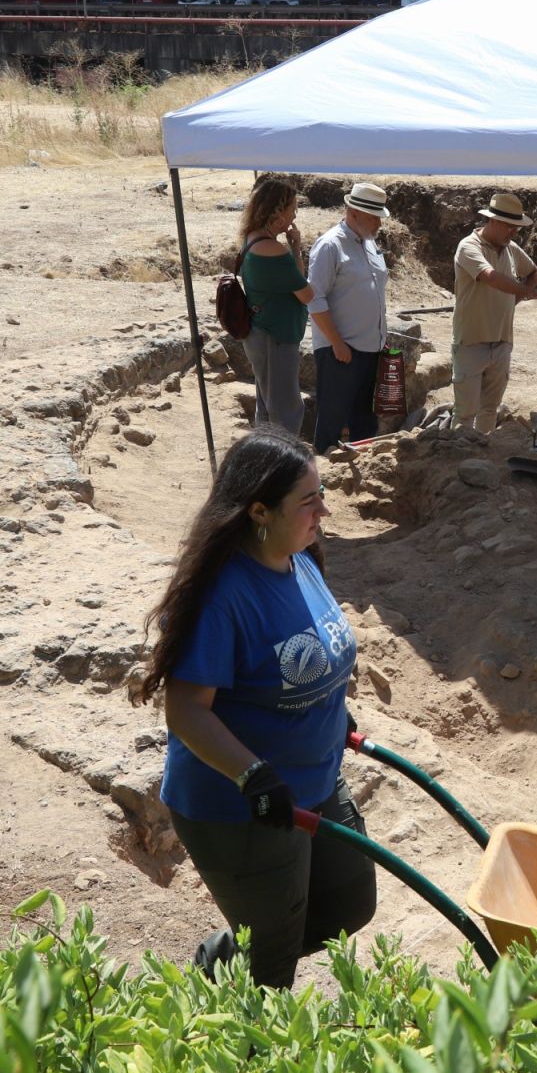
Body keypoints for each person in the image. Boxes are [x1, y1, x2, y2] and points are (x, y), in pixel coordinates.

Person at [137, 426, 374, 987]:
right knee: (271, 965)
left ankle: (225, 959)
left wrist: (330, 709)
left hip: (316, 779)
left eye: (321, 493)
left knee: (347, 908)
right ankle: (228, 1000)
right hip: (242, 805)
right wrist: (253, 776)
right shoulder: (220, 598)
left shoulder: (300, 558)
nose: (324, 510)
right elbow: (186, 712)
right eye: (309, 500)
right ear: (260, 511)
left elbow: (307, 654)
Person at [451, 192, 537, 433]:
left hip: (502, 341)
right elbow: (491, 277)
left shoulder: (510, 248)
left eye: (516, 228)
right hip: (472, 341)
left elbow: (534, 272)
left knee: (489, 409)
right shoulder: (469, 246)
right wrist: (529, 293)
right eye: (509, 226)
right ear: (493, 221)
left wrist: (517, 298)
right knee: (465, 413)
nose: (513, 232)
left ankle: (483, 448)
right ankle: (457, 453)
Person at [306, 183, 393, 453]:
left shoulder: (370, 244)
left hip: (371, 348)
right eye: (373, 217)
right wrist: (336, 343)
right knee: (332, 421)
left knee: (365, 421)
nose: (378, 223)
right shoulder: (329, 245)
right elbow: (315, 299)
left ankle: (364, 470)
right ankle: (323, 470)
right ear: (353, 213)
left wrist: (381, 336)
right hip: (341, 351)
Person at [235, 179, 314, 436]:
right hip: (275, 338)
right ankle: (282, 458)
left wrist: (295, 249)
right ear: (278, 213)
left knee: (268, 408)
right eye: (293, 209)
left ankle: (265, 454)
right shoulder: (273, 250)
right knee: (286, 411)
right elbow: (306, 294)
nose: (294, 216)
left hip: (262, 333)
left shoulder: (253, 239)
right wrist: (293, 252)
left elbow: (295, 282)